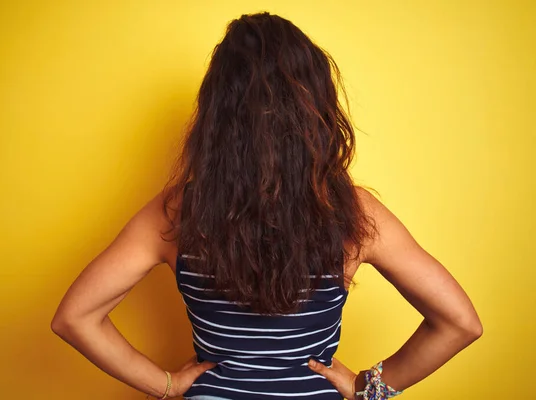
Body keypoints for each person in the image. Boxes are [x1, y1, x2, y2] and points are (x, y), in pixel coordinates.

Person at [51, 12, 483, 400]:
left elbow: (75, 318)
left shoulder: (178, 213)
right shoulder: (354, 213)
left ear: (216, 116)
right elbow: (460, 323)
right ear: (316, 109)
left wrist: (165, 386)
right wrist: (367, 389)